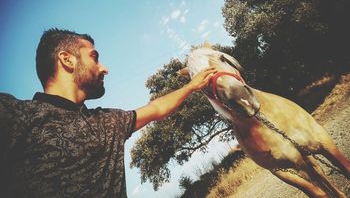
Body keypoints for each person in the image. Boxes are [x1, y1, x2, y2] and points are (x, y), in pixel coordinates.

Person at [0, 28, 216, 198]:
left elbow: (157, 108)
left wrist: (191, 87)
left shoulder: (109, 123)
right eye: (94, 57)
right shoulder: (16, 115)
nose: (104, 68)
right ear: (67, 60)